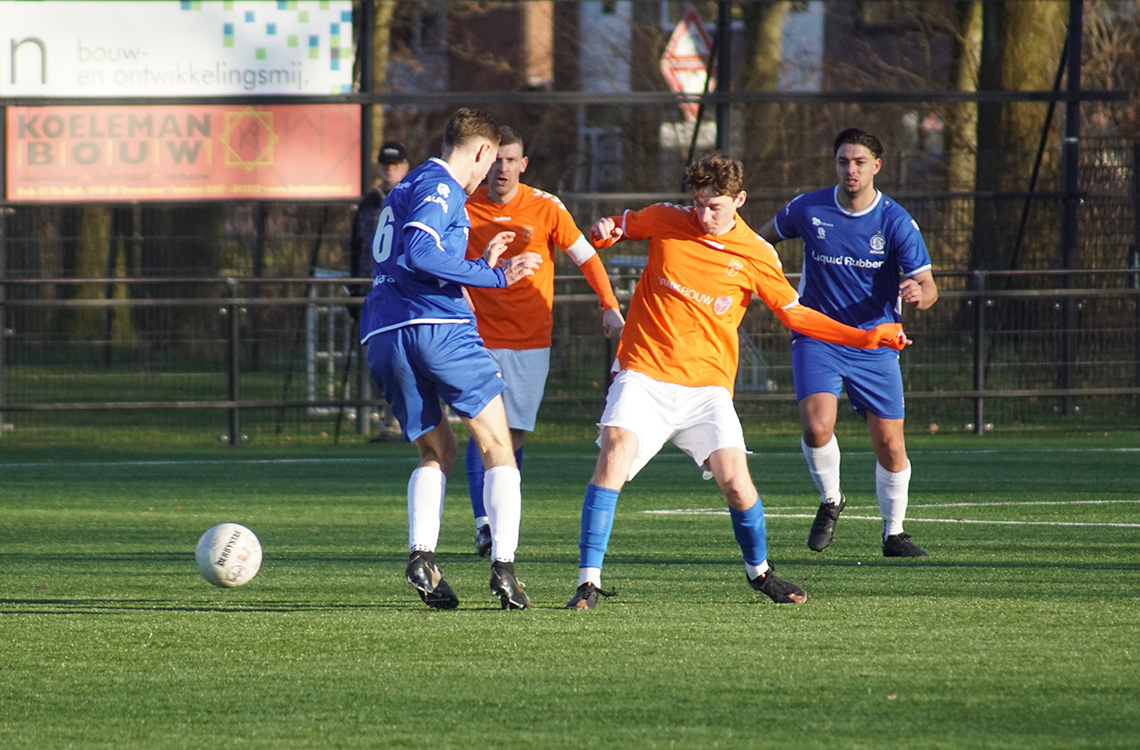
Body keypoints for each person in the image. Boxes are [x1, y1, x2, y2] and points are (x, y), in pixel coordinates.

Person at [566, 152, 911, 610]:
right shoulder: (667, 219)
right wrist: (605, 229)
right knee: (614, 452)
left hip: (707, 388)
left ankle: (760, 572)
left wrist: (865, 337)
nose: (705, 216)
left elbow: (798, 315)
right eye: (699, 204)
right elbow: (618, 226)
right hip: (644, 373)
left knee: (736, 480)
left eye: (716, 207)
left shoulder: (756, 253)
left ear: (740, 201)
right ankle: (588, 583)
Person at [358, 109, 543, 610]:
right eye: (489, 161)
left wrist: (478, 265)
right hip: (437, 328)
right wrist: (497, 277)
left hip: (382, 333)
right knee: (498, 446)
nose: (488, 174)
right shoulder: (442, 186)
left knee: (436, 450)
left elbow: (411, 255)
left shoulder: (406, 186)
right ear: (482, 151)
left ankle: (422, 557)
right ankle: (504, 567)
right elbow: (421, 252)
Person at [758, 127, 938, 558]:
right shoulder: (809, 207)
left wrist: (919, 294)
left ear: (877, 166)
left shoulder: (895, 221)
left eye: (859, 162)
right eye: (843, 161)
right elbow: (758, 241)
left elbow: (928, 286)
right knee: (817, 425)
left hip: (875, 342)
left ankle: (893, 533)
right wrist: (759, 277)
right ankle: (832, 498)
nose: (851, 169)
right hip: (817, 335)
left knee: (891, 445)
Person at [463, 126, 625, 556]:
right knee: (482, 431)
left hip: (531, 341)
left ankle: (501, 519)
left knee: (512, 436)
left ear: (523, 164)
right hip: (475, 337)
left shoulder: (545, 207)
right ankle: (484, 524)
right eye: (496, 159)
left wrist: (609, 304)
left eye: (511, 160)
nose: (502, 168)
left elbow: (586, 258)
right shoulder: (464, 204)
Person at [349, 141, 413, 440]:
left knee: (409, 359)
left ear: (405, 167)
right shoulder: (368, 202)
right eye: (386, 165)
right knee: (379, 360)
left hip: (402, 292)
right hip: (371, 292)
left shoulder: (414, 197)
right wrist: (353, 290)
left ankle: (408, 422)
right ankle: (384, 422)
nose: (390, 170)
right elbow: (356, 248)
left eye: (396, 164)